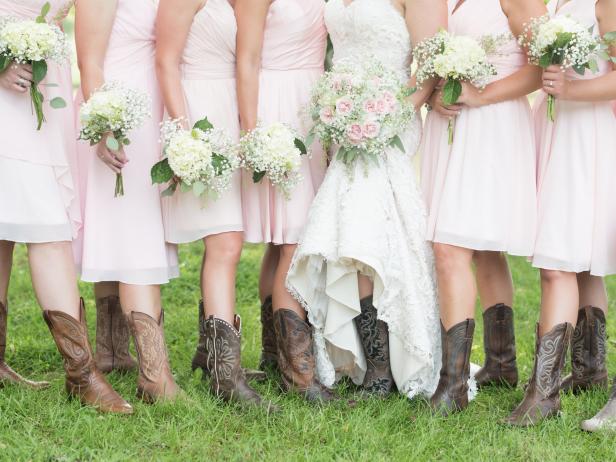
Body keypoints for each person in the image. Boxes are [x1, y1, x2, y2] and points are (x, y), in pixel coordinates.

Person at [287, 0, 446, 399]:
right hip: (342, 123)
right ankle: (374, 361)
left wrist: (381, 120)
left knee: (367, 234)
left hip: (389, 126)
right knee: (351, 236)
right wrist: (340, 116)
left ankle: (384, 366)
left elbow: (429, 70)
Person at [0, 0, 132, 414]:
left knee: (32, 225)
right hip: (6, 85)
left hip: (44, 94)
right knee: (43, 230)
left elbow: (91, 51)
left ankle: (79, 372)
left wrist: (101, 123)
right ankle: (83, 374)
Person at [421, 0, 546, 415]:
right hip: (450, 123)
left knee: (450, 247)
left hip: (491, 125)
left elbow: (538, 70)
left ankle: (452, 384)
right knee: (483, 249)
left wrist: (481, 94)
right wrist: (438, 96)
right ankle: (501, 364)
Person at [155, 0, 272, 410]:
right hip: (199, 115)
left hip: (226, 115)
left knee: (226, 241)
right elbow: (166, 61)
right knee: (226, 243)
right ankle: (225, 374)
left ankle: (213, 354)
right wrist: (183, 136)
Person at [507, 0, 616, 428]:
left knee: (556, 265)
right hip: (556, 127)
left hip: (585, 134)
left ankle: (543, 393)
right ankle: (589, 371)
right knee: (583, 265)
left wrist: (570, 91)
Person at [75, 0, 181, 403]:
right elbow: (90, 62)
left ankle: (113, 353)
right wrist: (104, 127)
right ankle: (156, 379)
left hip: (147, 109)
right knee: (136, 235)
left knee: (123, 230)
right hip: (119, 117)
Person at [235, 0, 334, 401]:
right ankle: (300, 376)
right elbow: (247, 58)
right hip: (277, 109)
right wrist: (252, 132)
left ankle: (275, 355)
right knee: (293, 240)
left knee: (283, 242)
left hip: (311, 106)